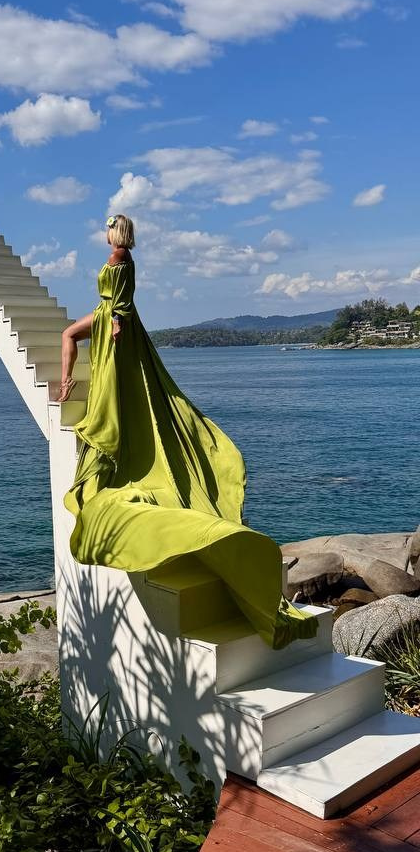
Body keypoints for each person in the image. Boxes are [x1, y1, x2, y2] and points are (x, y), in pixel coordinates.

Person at [60, 212, 317, 650]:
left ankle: (68, 385)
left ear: (115, 232)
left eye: (107, 226)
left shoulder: (119, 256)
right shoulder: (123, 256)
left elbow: (120, 299)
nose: (105, 232)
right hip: (115, 319)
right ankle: (71, 383)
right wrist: (116, 316)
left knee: (71, 337)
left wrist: (115, 321)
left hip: (114, 322)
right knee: (79, 343)